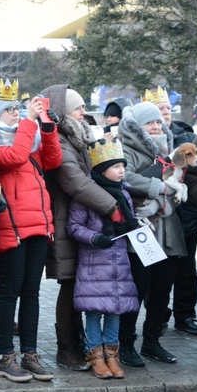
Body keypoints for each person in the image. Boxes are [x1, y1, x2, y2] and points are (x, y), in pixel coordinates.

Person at [0, 78, 62, 383]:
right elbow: (14, 158)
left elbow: (52, 160)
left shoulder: (28, 137)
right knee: (9, 293)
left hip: (38, 225)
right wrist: (29, 121)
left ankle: (30, 353)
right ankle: (5, 356)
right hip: (9, 228)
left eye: (17, 108)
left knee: (31, 292)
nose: (15, 113)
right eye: (9, 109)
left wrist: (47, 128)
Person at [41, 84, 117, 372]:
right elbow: (76, 182)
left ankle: (81, 344)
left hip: (79, 220)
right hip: (64, 223)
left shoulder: (77, 138)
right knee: (69, 284)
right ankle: (66, 349)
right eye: (78, 108)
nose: (84, 112)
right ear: (63, 113)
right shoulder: (60, 141)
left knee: (76, 285)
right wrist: (113, 206)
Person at [116, 102, 186, 366]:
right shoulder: (126, 149)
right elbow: (125, 177)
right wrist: (160, 186)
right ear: (138, 127)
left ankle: (152, 341)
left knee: (162, 289)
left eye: (158, 122)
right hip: (142, 231)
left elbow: (180, 184)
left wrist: (171, 193)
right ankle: (126, 343)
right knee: (137, 288)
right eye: (150, 123)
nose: (156, 126)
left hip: (169, 233)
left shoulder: (172, 151)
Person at [66, 139, 139, 379]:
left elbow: (128, 223)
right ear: (101, 169)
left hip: (119, 264)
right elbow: (74, 226)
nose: (121, 171)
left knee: (115, 309)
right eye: (116, 166)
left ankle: (112, 356)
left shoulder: (125, 195)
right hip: (94, 264)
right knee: (95, 311)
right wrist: (95, 237)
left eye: (123, 166)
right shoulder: (86, 195)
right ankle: (95, 356)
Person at [143, 87, 197, 336]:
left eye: (167, 109)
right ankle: (158, 317)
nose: (164, 114)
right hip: (159, 215)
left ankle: (185, 315)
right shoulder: (149, 141)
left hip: (187, 214)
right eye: (158, 111)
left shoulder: (185, 135)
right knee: (157, 271)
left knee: (187, 270)